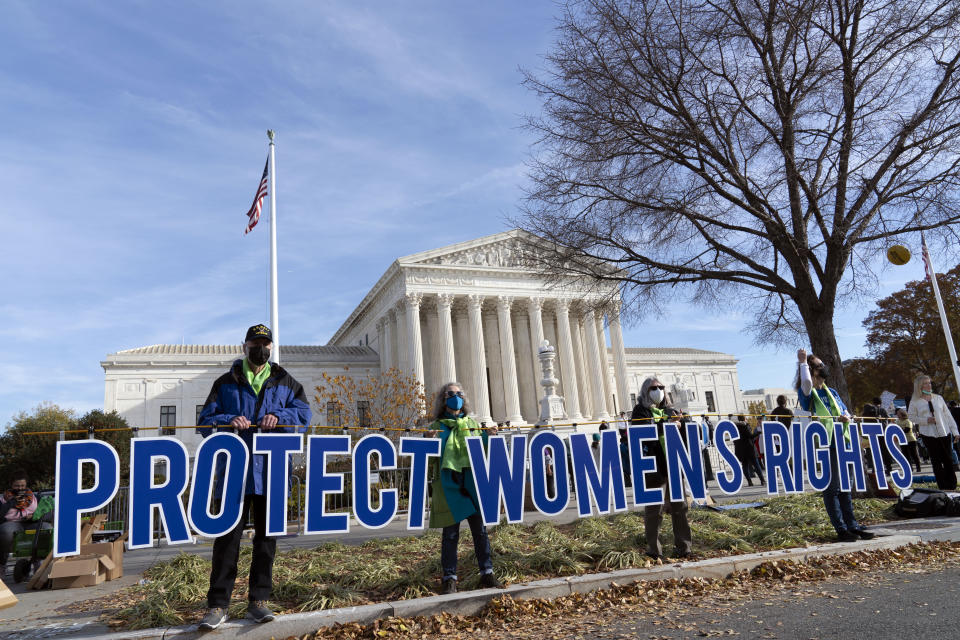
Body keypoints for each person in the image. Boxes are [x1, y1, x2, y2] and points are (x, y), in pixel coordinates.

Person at [196, 324, 312, 630]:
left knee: (266, 542)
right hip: (235, 474)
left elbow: (304, 416)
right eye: (255, 343)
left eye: (265, 343)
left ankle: (258, 601)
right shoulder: (225, 383)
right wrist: (228, 420)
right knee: (226, 542)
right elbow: (204, 422)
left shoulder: (287, 382)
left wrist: (281, 417)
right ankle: (217, 604)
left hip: (271, 472)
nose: (260, 348)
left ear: (271, 347)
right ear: (244, 346)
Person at [426, 382, 501, 594]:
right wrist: (427, 441)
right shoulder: (435, 427)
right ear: (443, 398)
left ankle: (487, 573)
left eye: (459, 393)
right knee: (450, 534)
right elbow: (428, 456)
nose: (455, 397)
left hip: (472, 482)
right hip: (450, 484)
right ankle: (449, 578)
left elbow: (481, 448)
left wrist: (490, 436)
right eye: (451, 393)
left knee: (480, 531)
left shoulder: (472, 424)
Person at [795, 349, 874, 542]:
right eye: (820, 366)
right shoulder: (808, 392)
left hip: (843, 439)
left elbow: (843, 409)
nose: (824, 368)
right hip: (826, 442)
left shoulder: (832, 392)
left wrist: (848, 416)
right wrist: (803, 362)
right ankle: (840, 528)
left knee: (846, 486)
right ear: (813, 371)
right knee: (832, 488)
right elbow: (805, 383)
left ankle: (852, 525)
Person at [630, 377, 693, 560]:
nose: (658, 390)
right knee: (654, 511)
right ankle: (654, 550)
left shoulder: (670, 410)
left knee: (680, 508)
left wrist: (683, 423)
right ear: (645, 391)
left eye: (661, 387)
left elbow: (685, 434)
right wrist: (666, 426)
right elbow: (642, 433)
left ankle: (684, 547)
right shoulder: (640, 411)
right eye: (653, 388)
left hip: (672, 465)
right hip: (653, 467)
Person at [907, 374, 959, 490]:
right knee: (936, 461)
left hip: (944, 432)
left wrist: (955, 431)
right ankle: (942, 486)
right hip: (928, 434)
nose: (928, 385)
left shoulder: (938, 398)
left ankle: (952, 485)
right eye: (925, 383)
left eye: (929, 383)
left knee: (948, 460)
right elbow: (911, 417)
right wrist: (926, 420)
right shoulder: (915, 401)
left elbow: (948, 415)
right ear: (919, 386)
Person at [0, 470, 36, 579]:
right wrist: (11, 502)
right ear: (11, 485)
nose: (20, 488)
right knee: (5, 531)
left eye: (22, 485)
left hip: (30, 523)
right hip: (11, 523)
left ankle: (38, 563)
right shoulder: (3, 499)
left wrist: (33, 517)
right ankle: (1, 564)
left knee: (46, 529)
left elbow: (43, 513)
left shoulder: (33, 498)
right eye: (17, 486)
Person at [735, 415, 764, 486]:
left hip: (741, 450)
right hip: (749, 448)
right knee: (756, 464)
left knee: (745, 465)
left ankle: (749, 481)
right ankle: (762, 480)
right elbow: (750, 436)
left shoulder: (735, 427)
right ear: (744, 419)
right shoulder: (745, 426)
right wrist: (758, 433)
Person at [896, 408, 922, 473]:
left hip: (910, 439)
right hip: (902, 440)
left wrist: (900, 430)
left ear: (902, 414)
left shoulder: (908, 421)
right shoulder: (897, 421)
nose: (897, 415)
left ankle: (918, 467)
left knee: (914, 454)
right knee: (906, 455)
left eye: (898, 413)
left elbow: (907, 430)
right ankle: (910, 468)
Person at [699, 415, 714, 482]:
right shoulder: (704, 423)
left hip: (709, 434)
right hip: (704, 442)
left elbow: (711, 428)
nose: (708, 418)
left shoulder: (709, 422)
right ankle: (708, 477)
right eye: (706, 417)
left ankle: (709, 476)